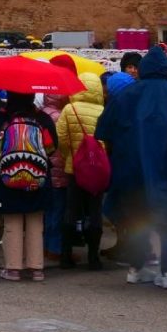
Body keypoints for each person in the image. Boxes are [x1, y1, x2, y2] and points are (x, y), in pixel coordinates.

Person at [97, 45, 167, 290]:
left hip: (131, 169)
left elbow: (104, 130)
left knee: (136, 217)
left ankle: (135, 268)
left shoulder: (126, 95)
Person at [0, 92, 56, 283]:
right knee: (35, 222)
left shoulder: (2, 118)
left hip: (8, 178)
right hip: (37, 178)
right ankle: (36, 269)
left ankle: (13, 269)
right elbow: (52, 147)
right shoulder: (42, 118)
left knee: (12, 222)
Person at [55, 72, 105, 271]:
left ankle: (66, 256)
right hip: (97, 171)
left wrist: (70, 156)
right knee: (95, 211)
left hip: (74, 169)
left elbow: (61, 139)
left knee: (71, 210)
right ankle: (93, 257)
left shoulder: (70, 109)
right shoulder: (103, 111)